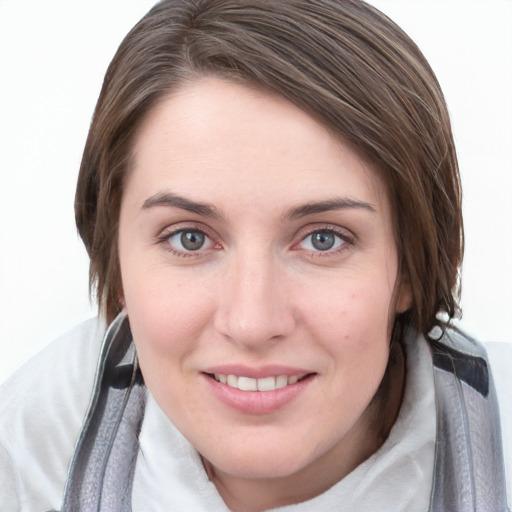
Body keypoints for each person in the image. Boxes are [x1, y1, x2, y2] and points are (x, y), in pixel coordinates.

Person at [0, 1, 509, 511]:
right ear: (116, 265)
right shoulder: (36, 444)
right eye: (189, 238)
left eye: (323, 239)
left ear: (410, 269)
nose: (251, 322)